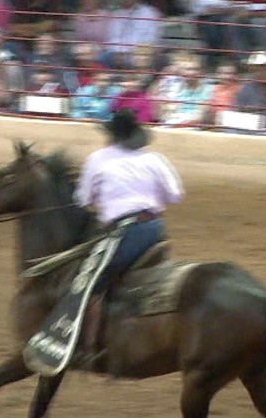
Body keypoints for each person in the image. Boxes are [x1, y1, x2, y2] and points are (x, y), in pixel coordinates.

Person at [73, 108, 185, 367]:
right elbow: (176, 195)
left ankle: (90, 348)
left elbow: (82, 200)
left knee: (90, 281)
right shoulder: (155, 160)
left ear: (111, 136)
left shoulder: (98, 159)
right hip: (155, 230)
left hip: (123, 232)